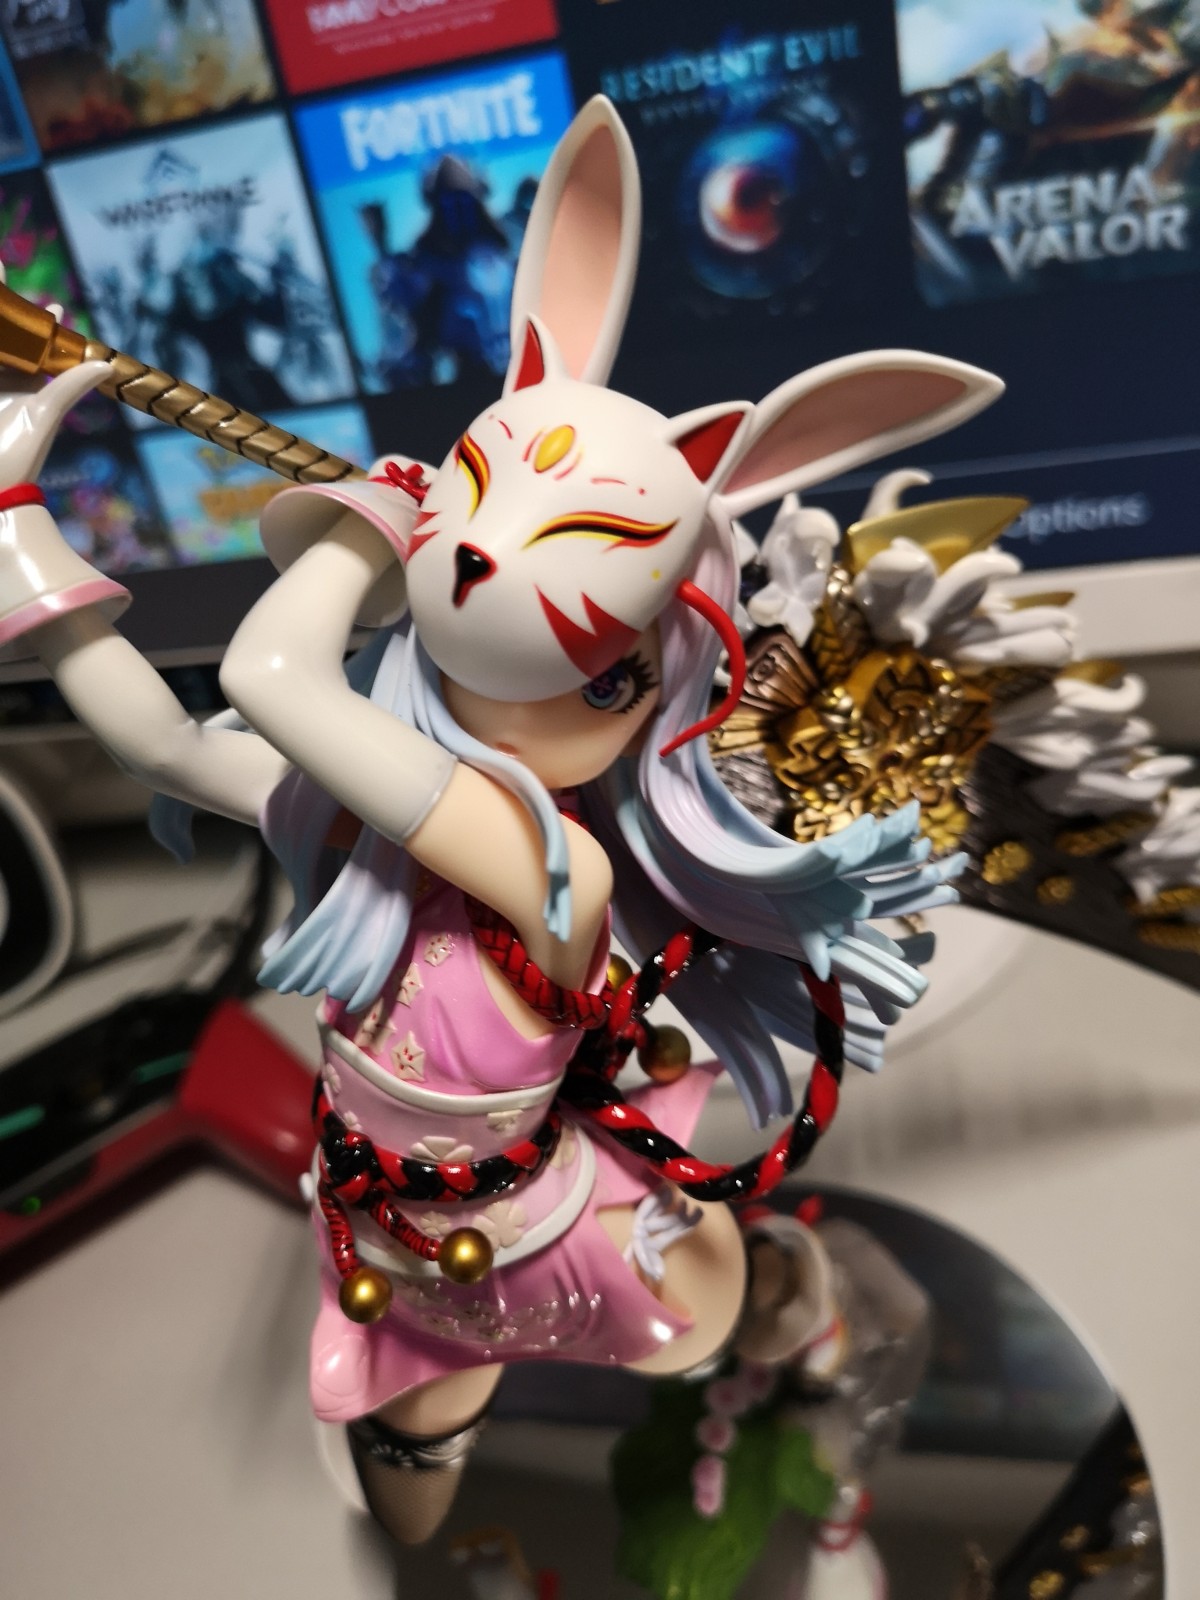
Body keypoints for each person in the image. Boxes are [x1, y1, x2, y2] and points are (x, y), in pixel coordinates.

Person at [0, 98, 999, 1544]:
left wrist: (369, 528)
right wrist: (17, 516)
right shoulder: (362, 818)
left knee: (709, 1316)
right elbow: (161, 736)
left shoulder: (552, 864)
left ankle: (802, 1316)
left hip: (533, 1232)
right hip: (380, 1221)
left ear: (637, 697)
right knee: (407, 1480)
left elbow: (272, 678)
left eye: (599, 676)